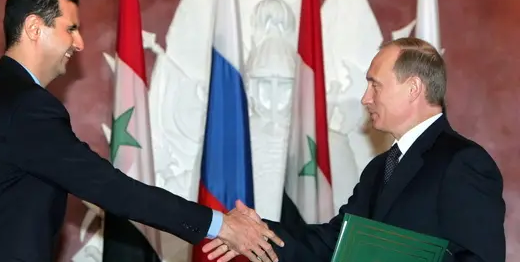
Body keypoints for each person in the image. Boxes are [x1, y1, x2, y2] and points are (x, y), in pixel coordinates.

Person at [0, 0, 283, 262]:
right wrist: (220, 225)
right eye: (70, 29)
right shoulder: (23, 104)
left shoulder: (2, 95)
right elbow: (111, 188)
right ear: (33, 27)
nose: (80, 42)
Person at [203, 37, 506, 262]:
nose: (365, 99)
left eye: (376, 85)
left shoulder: (463, 162)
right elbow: (334, 242)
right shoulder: (379, 168)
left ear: (413, 88)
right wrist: (255, 232)